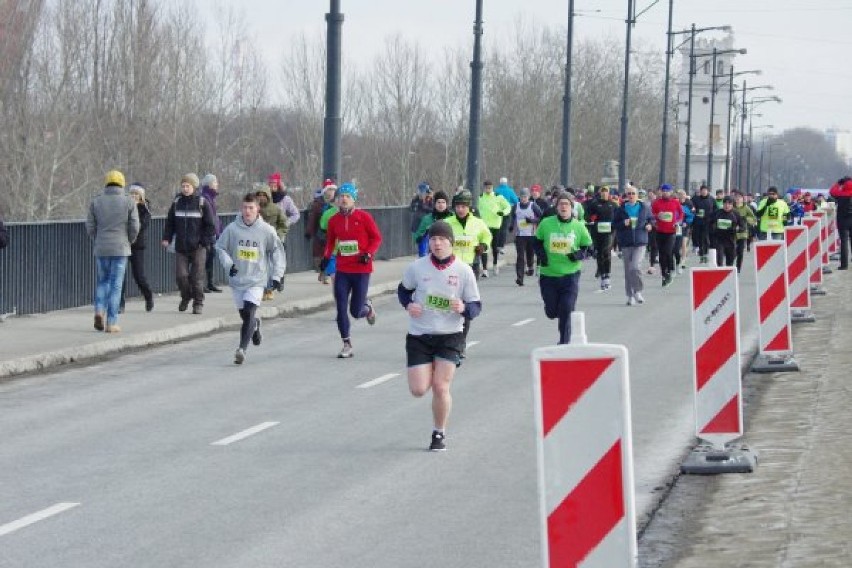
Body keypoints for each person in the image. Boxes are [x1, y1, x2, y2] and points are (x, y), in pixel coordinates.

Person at [398, 220, 481, 451]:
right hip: (420, 334)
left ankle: (438, 433)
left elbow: (476, 306)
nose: (437, 244)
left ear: (451, 243)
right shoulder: (417, 267)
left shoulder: (464, 271)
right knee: (418, 390)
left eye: (442, 239)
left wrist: (463, 308)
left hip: (450, 335)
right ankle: (433, 368)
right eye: (433, 239)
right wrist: (408, 305)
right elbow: (403, 291)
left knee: (440, 386)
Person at [216, 193, 286, 364]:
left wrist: (277, 276)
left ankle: (241, 350)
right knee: (245, 315)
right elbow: (220, 247)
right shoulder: (232, 229)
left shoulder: (266, 231)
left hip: (257, 280)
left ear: (257, 209)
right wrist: (228, 264)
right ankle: (254, 325)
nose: (247, 211)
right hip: (237, 280)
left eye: (251, 208)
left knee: (249, 311)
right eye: (245, 208)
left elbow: (277, 252)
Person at [319, 182, 382, 358]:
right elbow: (331, 242)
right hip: (343, 269)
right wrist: (325, 258)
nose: (344, 199)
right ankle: (346, 344)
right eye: (341, 197)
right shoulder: (333, 220)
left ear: (353, 199)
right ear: (337, 200)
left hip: (361, 269)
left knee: (355, 311)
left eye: (347, 196)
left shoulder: (364, 217)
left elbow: (376, 238)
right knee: (340, 306)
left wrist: (368, 254)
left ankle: (367, 309)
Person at [533, 192, 593, 344]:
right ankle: (553, 311)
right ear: (557, 207)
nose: (564, 207)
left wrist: (578, 255)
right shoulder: (546, 223)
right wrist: (542, 256)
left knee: (566, 309)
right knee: (552, 311)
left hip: (570, 275)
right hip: (549, 274)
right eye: (561, 204)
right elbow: (536, 242)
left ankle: (564, 342)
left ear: (572, 208)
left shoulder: (579, 226)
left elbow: (589, 247)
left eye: (567, 204)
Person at [85, 170, 140, 332]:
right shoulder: (129, 202)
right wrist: (129, 240)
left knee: (103, 281)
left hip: (101, 247)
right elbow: (135, 226)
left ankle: (98, 311)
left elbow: (90, 225)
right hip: (121, 248)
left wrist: (97, 238)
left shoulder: (96, 201)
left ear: (107, 183)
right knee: (116, 285)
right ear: (122, 183)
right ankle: (111, 322)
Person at [161, 173, 217, 315]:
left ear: (194, 187)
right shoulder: (176, 202)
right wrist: (166, 237)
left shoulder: (202, 203)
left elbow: (210, 226)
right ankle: (186, 297)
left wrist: (203, 241)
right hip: (181, 247)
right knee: (181, 276)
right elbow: (170, 222)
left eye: (188, 186)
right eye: (183, 186)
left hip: (198, 247)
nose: (185, 188)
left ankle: (198, 303)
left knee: (197, 277)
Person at [445, 189, 491, 357]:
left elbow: (487, 236)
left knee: (465, 306)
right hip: (450, 268)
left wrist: (483, 246)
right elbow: (438, 239)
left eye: (464, 206)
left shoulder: (477, 223)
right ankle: (448, 340)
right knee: (450, 305)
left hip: (470, 268)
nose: (461, 209)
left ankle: (461, 342)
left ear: (469, 207)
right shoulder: (448, 223)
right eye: (458, 206)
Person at [613, 186, 653, 305]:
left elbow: (651, 219)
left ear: (637, 195)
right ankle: (629, 295)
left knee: (635, 267)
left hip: (640, 241)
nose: (631, 196)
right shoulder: (621, 209)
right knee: (628, 270)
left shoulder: (644, 207)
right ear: (626, 196)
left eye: (633, 193)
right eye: (628, 194)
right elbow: (614, 224)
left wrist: (650, 225)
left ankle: (638, 291)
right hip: (626, 242)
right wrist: (623, 223)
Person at [120, 183, 154, 312]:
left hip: (137, 246)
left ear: (141, 196)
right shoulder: (124, 206)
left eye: (136, 194)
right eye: (132, 193)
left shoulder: (145, 208)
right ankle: (120, 304)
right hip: (123, 244)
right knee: (120, 275)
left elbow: (142, 225)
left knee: (138, 275)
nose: (134, 196)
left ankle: (148, 296)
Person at [256, 184, 288, 300]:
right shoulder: (254, 209)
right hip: (258, 242)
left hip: (272, 241)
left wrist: (278, 235)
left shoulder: (275, 209)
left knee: (270, 267)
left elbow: (284, 224)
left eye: (263, 195)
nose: (261, 198)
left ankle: (269, 290)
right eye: (259, 195)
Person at [584, 185, 617, 290]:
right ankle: (602, 275)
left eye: (606, 192)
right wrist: (591, 219)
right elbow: (587, 216)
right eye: (602, 192)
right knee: (599, 253)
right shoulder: (595, 204)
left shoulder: (613, 205)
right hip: (597, 232)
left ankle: (607, 275)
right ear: (600, 193)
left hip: (609, 232)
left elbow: (619, 216)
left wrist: (615, 224)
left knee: (606, 252)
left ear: (609, 193)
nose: (604, 193)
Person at [651, 184, 683, 287]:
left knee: (668, 252)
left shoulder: (675, 202)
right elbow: (651, 215)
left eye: (667, 191)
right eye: (663, 191)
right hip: (659, 231)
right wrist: (657, 216)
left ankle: (670, 270)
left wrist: (677, 222)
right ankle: (664, 274)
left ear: (671, 192)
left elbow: (681, 214)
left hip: (671, 231)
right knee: (661, 254)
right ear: (661, 192)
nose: (665, 193)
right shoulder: (656, 203)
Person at [509, 187, 542, 286]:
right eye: (522, 197)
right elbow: (513, 217)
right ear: (520, 197)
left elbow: (541, 217)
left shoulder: (533, 206)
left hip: (531, 235)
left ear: (528, 197)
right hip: (520, 236)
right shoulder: (516, 206)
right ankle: (520, 278)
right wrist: (511, 226)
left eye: (526, 197)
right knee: (520, 257)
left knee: (530, 254)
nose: (524, 199)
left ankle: (531, 267)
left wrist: (532, 221)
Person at [477, 180, 511, 277]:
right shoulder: (480, 197)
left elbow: (508, 206)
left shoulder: (498, 197)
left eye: (490, 188)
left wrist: (503, 213)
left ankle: (495, 264)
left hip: (496, 225)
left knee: (494, 246)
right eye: (486, 188)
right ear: (483, 188)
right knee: (484, 247)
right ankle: (484, 269)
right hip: (484, 226)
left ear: (492, 188)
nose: (488, 190)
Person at [306, 180, 337, 281]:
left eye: (333, 189)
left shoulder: (338, 202)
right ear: (325, 191)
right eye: (330, 189)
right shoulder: (317, 204)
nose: (331, 191)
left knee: (330, 253)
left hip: (333, 233)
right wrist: (309, 231)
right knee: (320, 256)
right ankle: (322, 272)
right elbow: (312, 218)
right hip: (320, 232)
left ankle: (327, 273)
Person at [200, 174, 223, 293]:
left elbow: (214, 217)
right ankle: (203, 284)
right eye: (215, 183)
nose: (217, 185)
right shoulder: (205, 197)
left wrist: (219, 229)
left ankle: (209, 283)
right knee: (204, 259)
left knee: (210, 258)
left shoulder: (210, 198)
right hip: (207, 234)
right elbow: (209, 217)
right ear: (209, 184)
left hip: (212, 233)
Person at [708, 196, 743, 267]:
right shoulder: (717, 213)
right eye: (725, 204)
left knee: (730, 262)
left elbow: (742, 226)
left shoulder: (736, 213)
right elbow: (709, 223)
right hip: (719, 240)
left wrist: (738, 229)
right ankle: (720, 274)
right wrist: (713, 229)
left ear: (732, 205)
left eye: (729, 204)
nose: (727, 206)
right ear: (723, 204)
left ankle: (729, 275)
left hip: (730, 240)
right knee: (719, 261)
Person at [830, 176, 852, 270]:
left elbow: (832, 191)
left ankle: (844, 265)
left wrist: (838, 183)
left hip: (843, 220)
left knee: (843, 242)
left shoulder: (840, 193)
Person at [691, 185, 716, 263]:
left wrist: (713, 219)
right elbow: (691, 208)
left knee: (705, 239)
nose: (704, 191)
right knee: (698, 239)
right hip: (697, 222)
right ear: (700, 191)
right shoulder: (695, 199)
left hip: (708, 222)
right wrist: (694, 211)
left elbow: (716, 210)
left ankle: (704, 255)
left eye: (705, 190)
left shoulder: (711, 199)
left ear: (708, 191)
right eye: (702, 190)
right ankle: (701, 253)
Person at [734, 193, 757, 273]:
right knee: (732, 251)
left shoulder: (746, 208)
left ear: (742, 199)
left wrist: (746, 219)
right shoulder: (731, 207)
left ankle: (738, 268)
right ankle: (730, 264)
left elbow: (753, 219)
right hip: (732, 233)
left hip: (743, 233)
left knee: (740, 252)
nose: (738, 199)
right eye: (736, 198)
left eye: (739, 198)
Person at [409, 181, 434, 257]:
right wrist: (416, 200)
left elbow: (432, 210)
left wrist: (424, 203)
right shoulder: (416, 199)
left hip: (426, 226)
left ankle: (424, 257)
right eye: (420, 191)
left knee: (424, 244)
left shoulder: (430, 200)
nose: (422, 193)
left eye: (423, 191)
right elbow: (411, 209)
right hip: (416, 225)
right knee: (419, 244)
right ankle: (422, 257)